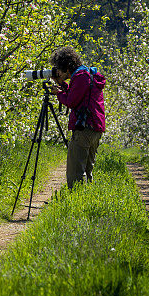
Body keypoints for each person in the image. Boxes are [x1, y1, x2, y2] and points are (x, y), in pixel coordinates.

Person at [49, 46, 106, 189]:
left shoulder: (80, 77)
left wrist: (58, 94)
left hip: (84, 127)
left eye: (60, 70)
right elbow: (79, 95)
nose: (59, 73)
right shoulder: (87, 74)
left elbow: (72, 101)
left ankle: (75, 202)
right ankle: (86, 200)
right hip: (95, 127)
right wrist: (62, 84)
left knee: (75, 172)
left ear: (67, 67)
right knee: (87, 169)